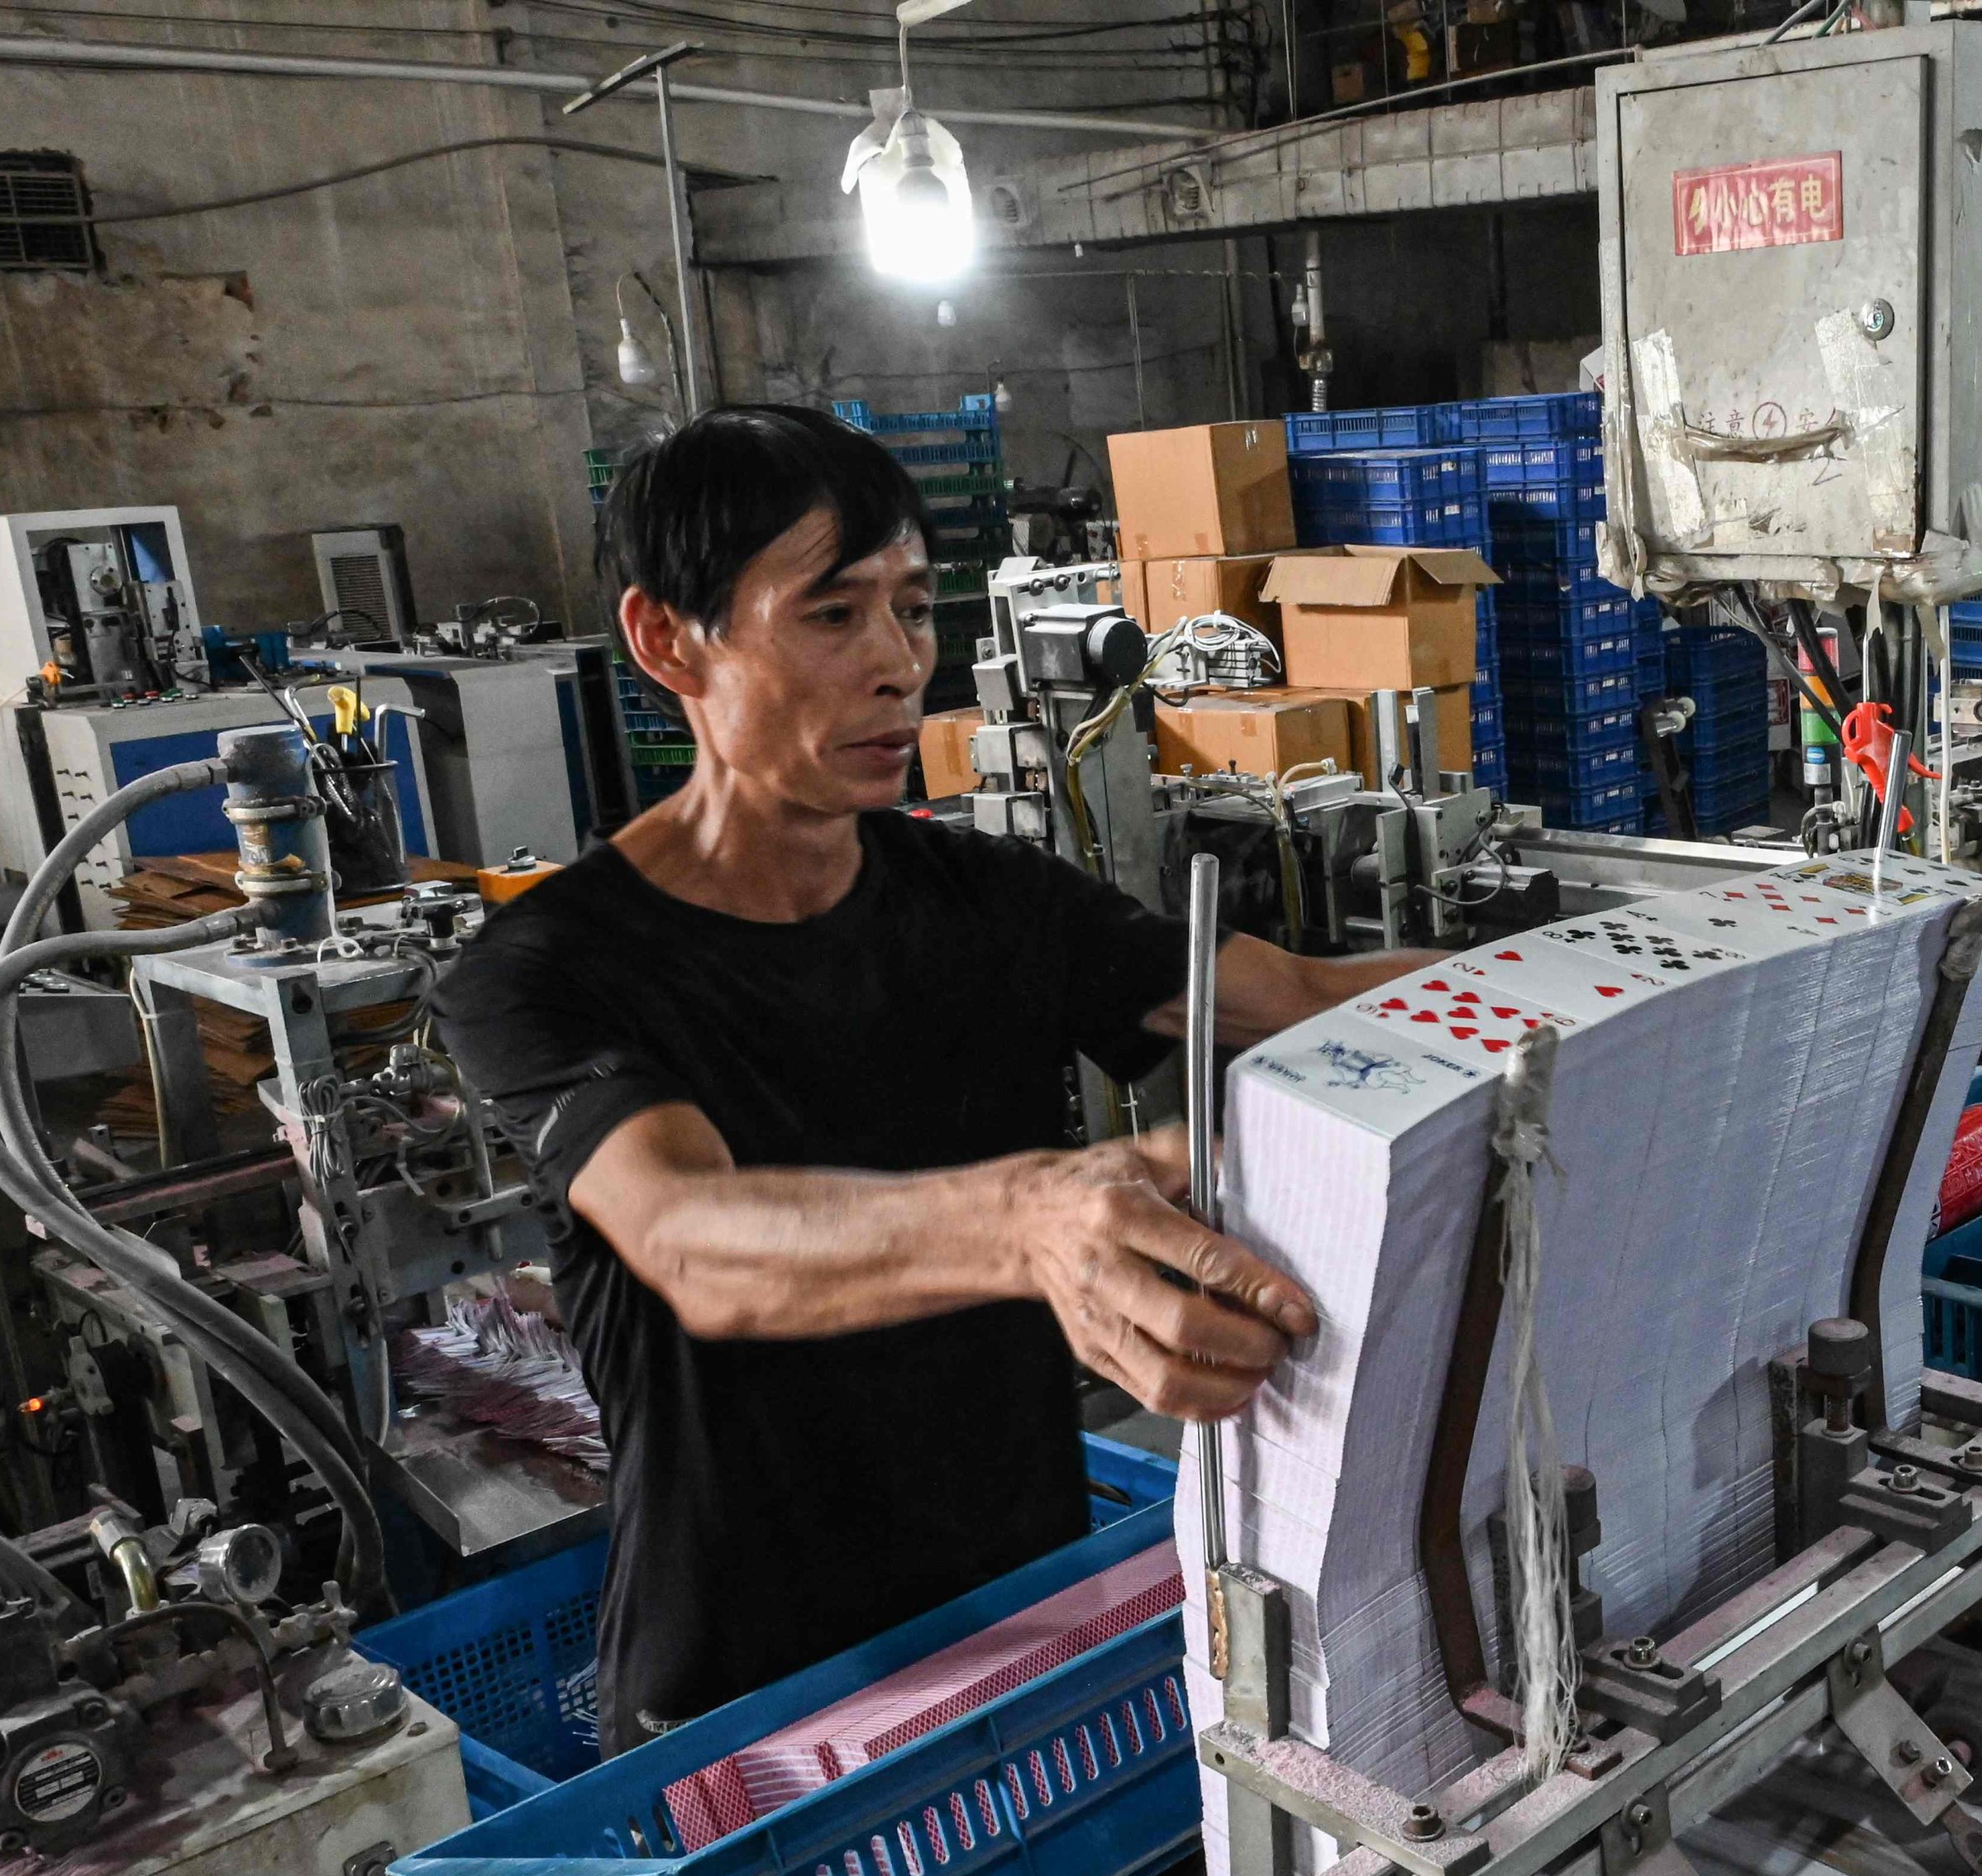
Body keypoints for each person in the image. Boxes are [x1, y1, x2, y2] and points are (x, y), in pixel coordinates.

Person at [431, 405, 1422, 1751]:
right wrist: (1030, 1216)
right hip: (750, 1695)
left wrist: (1620, 963)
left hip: (1025, 1616)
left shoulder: (988, 901)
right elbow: (695, 1242)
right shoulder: (547, 967)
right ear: (668, 639)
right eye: (831, 615)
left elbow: (1295, 999)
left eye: (913, 608)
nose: (899, 665)